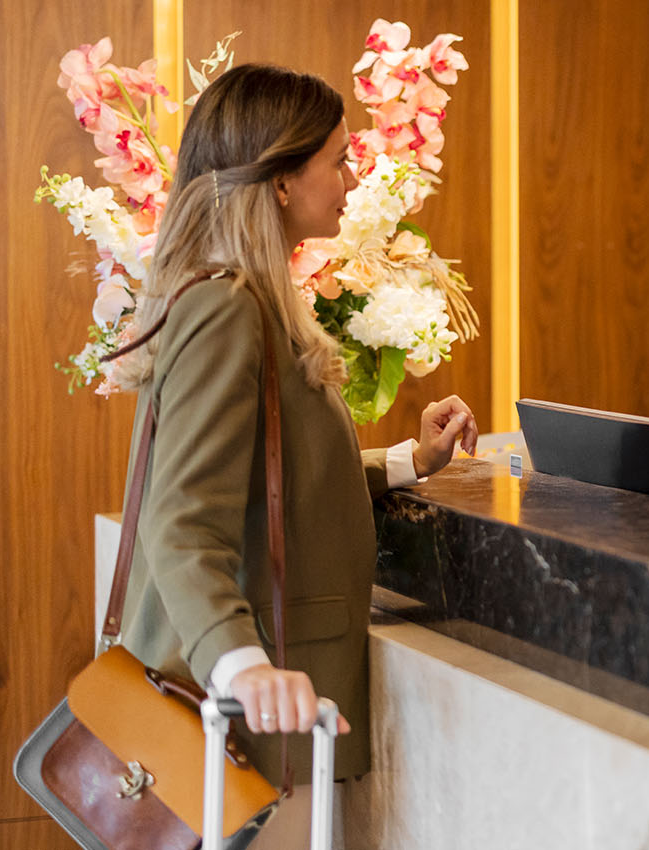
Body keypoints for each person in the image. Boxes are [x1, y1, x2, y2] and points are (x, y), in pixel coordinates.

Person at [108, 64, 478, 843]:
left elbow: (278, 485)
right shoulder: (224, 307)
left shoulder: (249, 301)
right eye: (338, 160)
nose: (353, 176)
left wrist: (411, 460)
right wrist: (241, 667)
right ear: (280, 180)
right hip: (245, 727)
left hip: (265, 720)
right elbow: (181, 523)